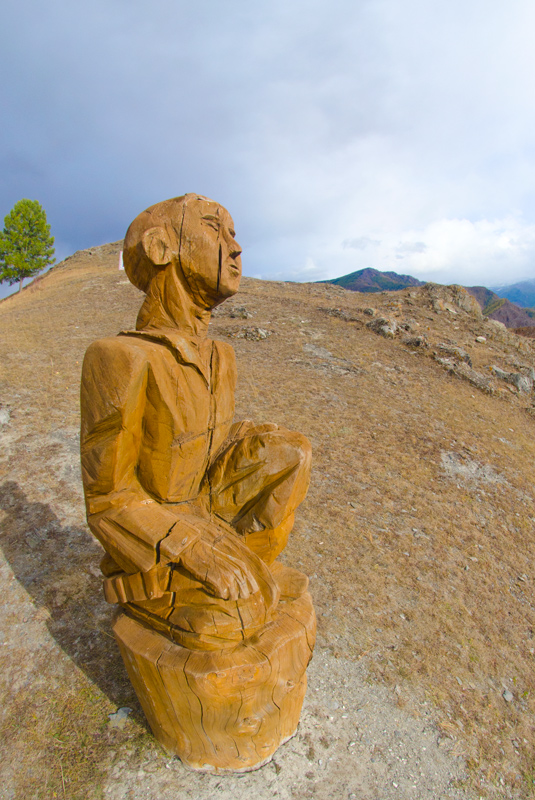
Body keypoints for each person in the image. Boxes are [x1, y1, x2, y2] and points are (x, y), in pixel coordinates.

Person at [81, 194, 312, 651]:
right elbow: (107, 499)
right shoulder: (120, 357)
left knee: (292, 452)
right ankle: (208, 587)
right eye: (214, 229)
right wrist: (190, 549)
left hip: (206, 512)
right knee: (233, 622)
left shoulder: (220, 356)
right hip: (158, 534)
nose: (236, 247)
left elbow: (211, 453)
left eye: (234, 233)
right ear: (162, 248)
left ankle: (248, 568)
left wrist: (264, 450)